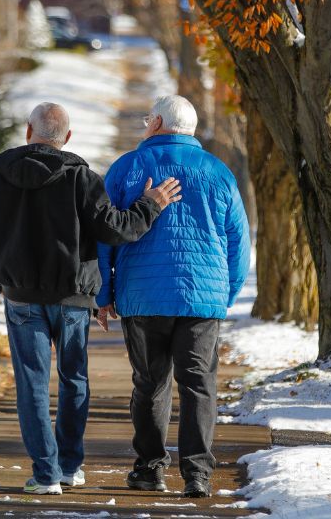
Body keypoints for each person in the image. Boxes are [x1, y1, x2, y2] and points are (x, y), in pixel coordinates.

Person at [0, 102, 182, 495]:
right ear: (66, 138)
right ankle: (69, 465)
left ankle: (45, 474)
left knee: (31, 384)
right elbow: (115, 230)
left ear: (28, 132)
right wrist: (152, 203)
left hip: (20, 298)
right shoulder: (81, 177)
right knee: (74, 379)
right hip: (72, 298)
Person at [96, 94, 250, 499]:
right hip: (203, 300)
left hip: (142, 296)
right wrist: (225, 293)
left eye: (149, 119)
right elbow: (239, 242)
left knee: (150, 383)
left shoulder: (128, 169)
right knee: (199, 384)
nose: (146, 124)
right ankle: (197, 473)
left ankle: (149, 470)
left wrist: (104, 293)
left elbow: (106, 236)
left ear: (159, 123)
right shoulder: (218, 172)